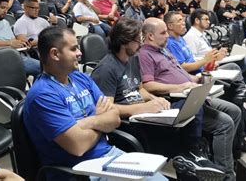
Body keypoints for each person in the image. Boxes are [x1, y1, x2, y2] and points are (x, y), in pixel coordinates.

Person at [91, 18, 230, 179]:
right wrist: (142, 108)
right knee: (182, 146)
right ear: (125, 42)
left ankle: (192, 157)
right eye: (138, 41)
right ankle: (191, 158)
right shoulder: (106, 69)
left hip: (147, 114)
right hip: (130, 124)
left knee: (189, 107)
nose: (142, 45)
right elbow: (107, 110)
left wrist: (153, 100)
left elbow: (140, 89)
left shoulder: (132, 58)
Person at [22, 27, 166, 181]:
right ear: (55, 54)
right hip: (80, 171)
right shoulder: (42, 95)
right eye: (73, 48)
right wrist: (101, 121)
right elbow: (79, 147)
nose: (80, 53)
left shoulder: (80, 78)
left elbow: (115, 117)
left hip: (109, 156)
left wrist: (88, 121)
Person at [139, 18, 241, 179]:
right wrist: (180, 87)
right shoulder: (145, 54)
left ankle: (222, 158)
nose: (167, 36)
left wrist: (198, 78)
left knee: (234, 111)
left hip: (193, 91)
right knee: (225, 123)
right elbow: (148, 85)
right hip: (177, 99)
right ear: (150, 36)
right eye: (163, 33)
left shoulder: (164, 51)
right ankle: (225, 174)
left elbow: (183, 74)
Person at [183, 9, 246, 129]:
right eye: (206, 19)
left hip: (215, 63)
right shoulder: (190, 37)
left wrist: (218, 53)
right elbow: (193, 60)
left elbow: (205, 54)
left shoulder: (201, 34)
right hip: (209, 69)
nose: (209, 22)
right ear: (197, 21)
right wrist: (213, 59)